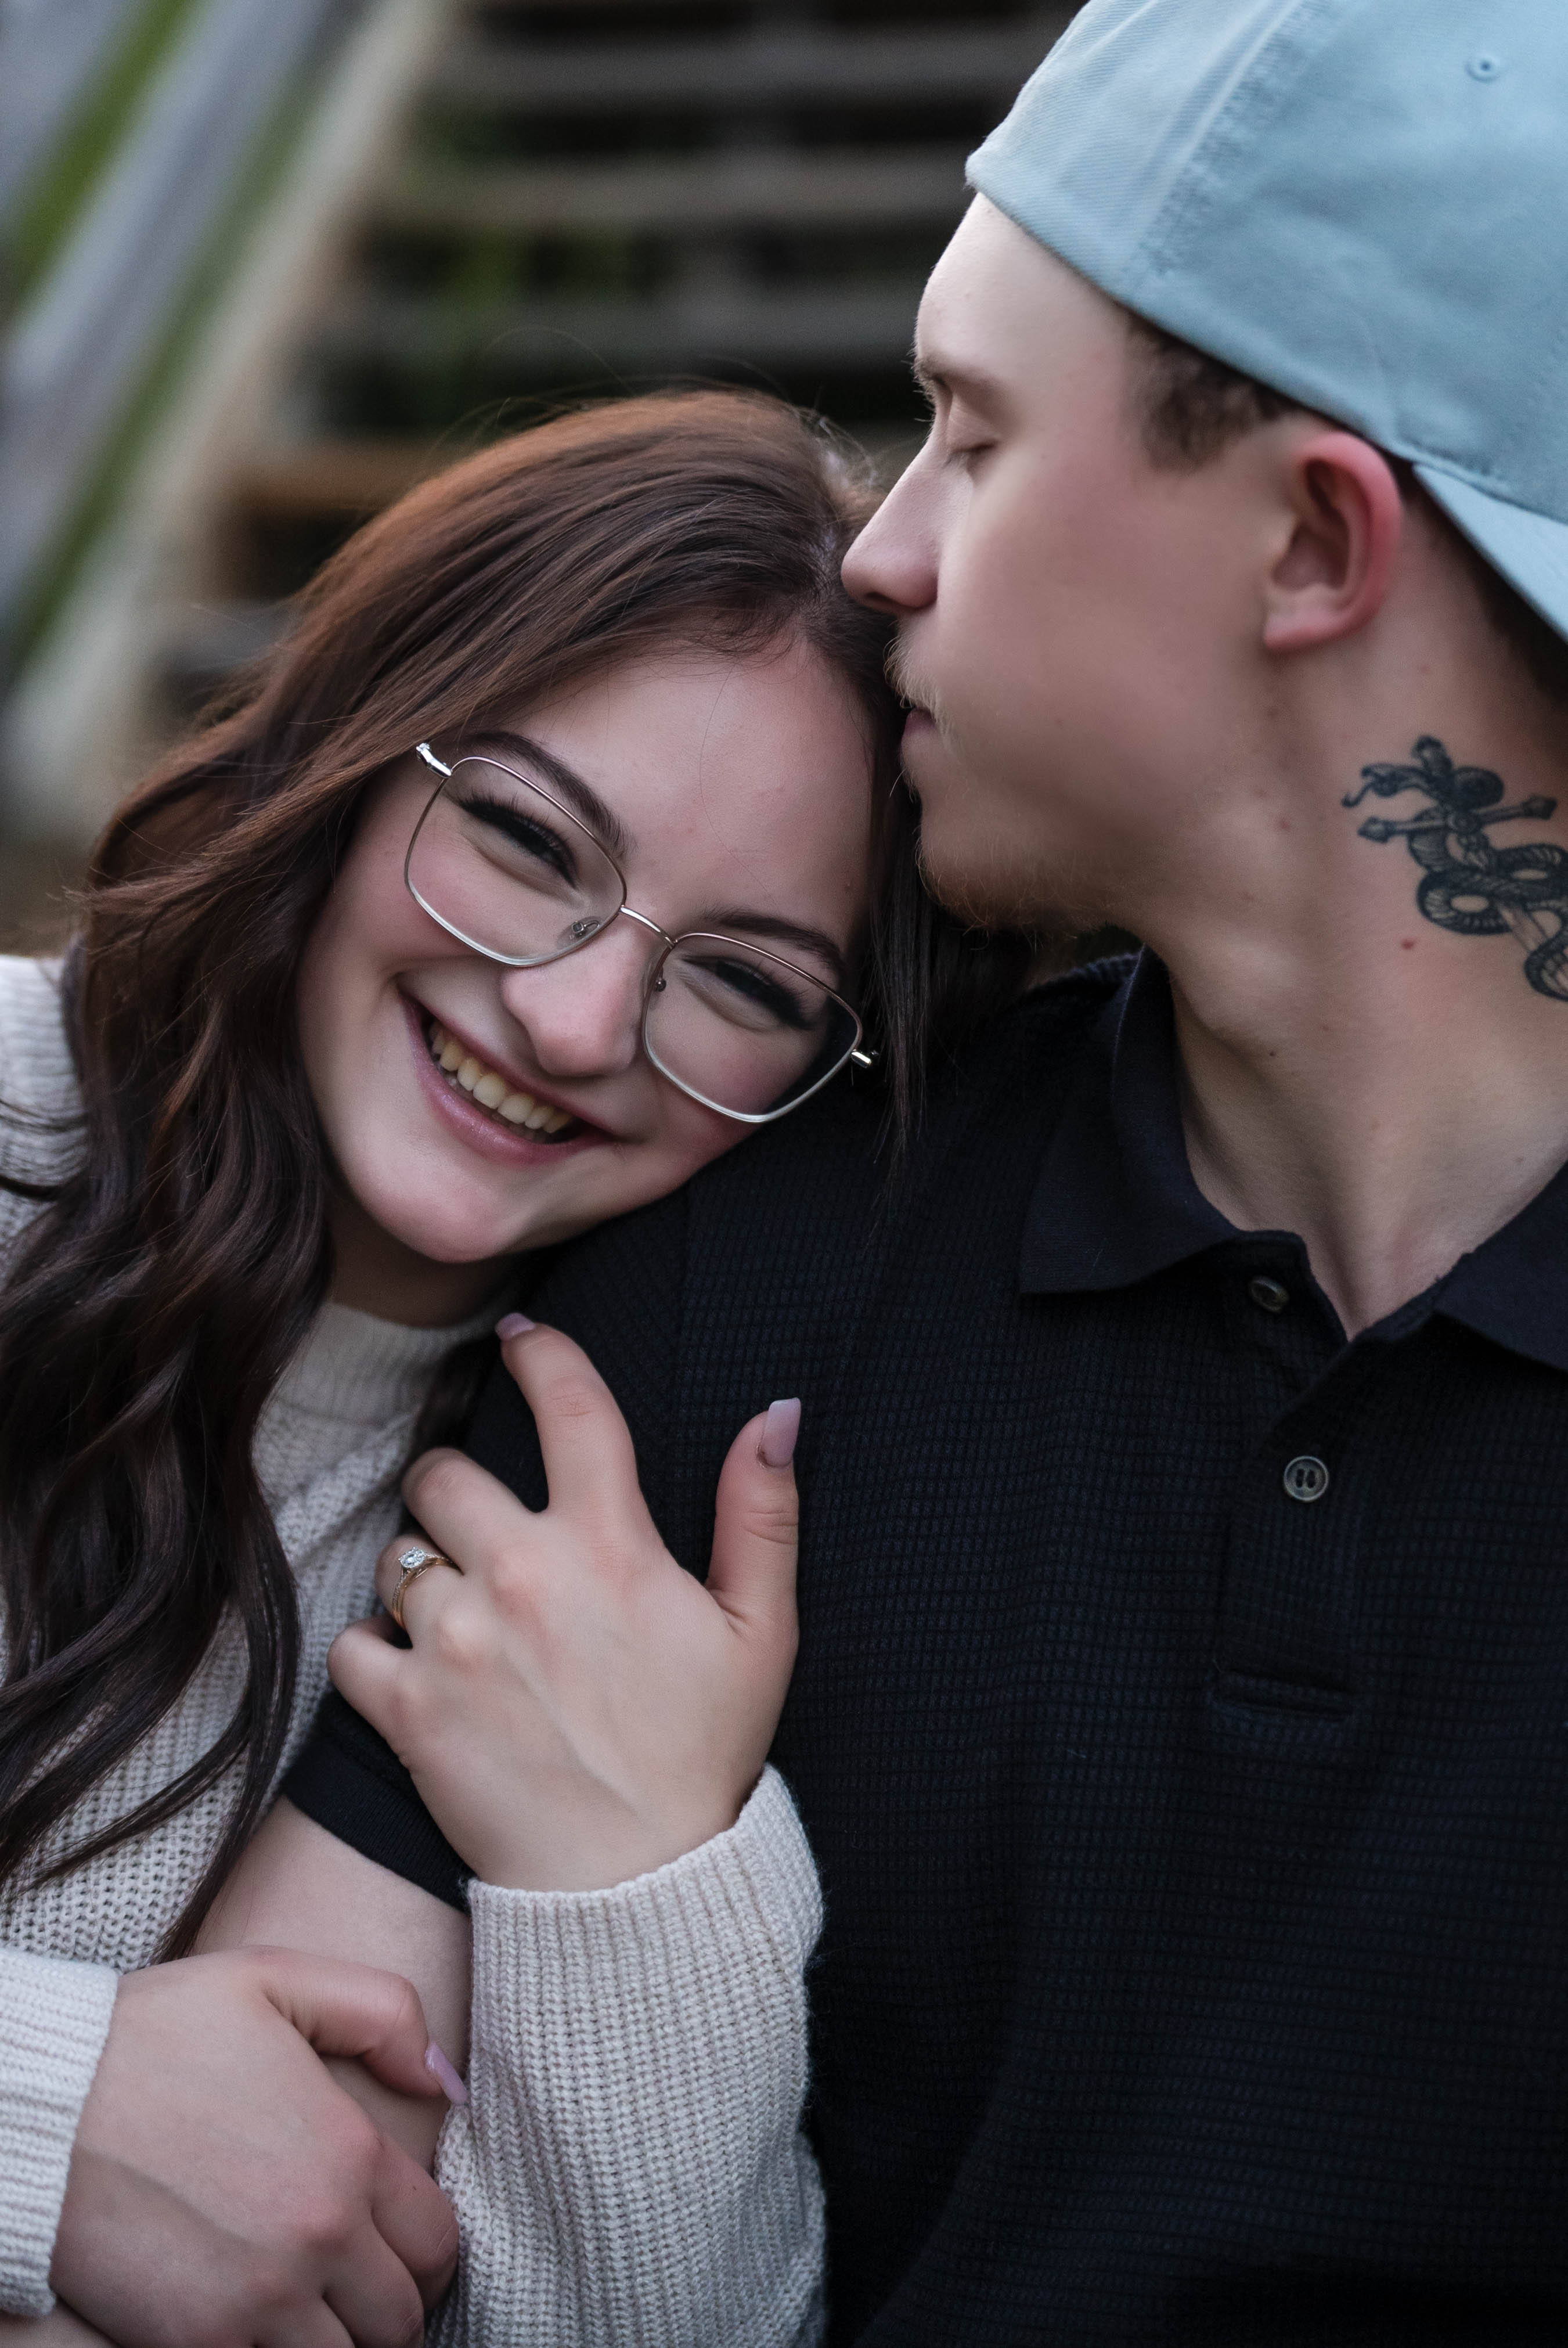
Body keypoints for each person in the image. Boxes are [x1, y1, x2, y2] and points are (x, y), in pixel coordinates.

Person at [256, 0, 1568, 2340]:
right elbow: (253, 2209)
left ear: (1308, 540)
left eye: (974, 435)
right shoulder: (732, 1261)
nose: (880, 554)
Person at [0, 390, 1029, 2345]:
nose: (572, 1019)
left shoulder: (664, 1539)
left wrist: (640, 1885)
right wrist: (58, 2113)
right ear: (356, 745)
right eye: (528, 838)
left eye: (743, 980)